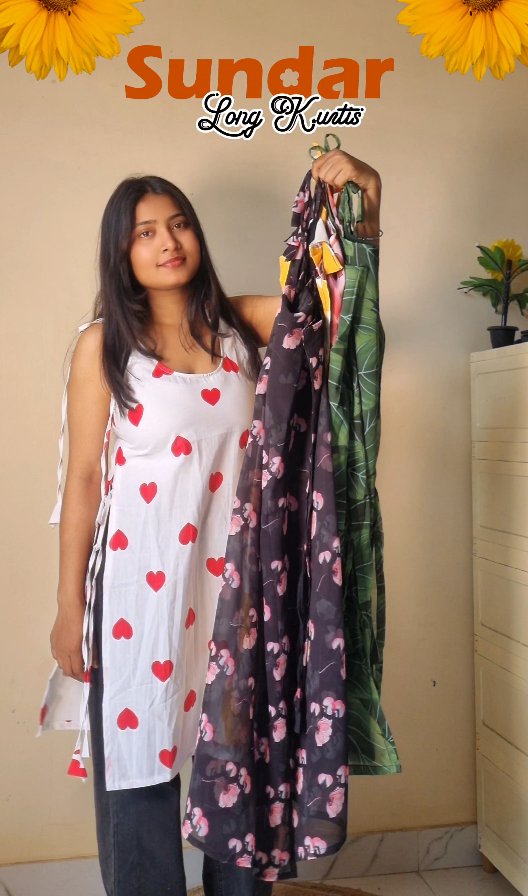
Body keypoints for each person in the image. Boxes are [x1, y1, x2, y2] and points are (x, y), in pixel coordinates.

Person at [47, 149, 381, 896]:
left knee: (240, 765)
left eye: (179, 225)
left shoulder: (243, 326)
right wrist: (70, 608)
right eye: (145, 233)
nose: (168, 243)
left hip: (237, 590)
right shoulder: (104, 346)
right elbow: (83, 482)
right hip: (137, 593)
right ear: (121, 253)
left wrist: (368, 201)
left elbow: (343, 309)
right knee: (139, 768)